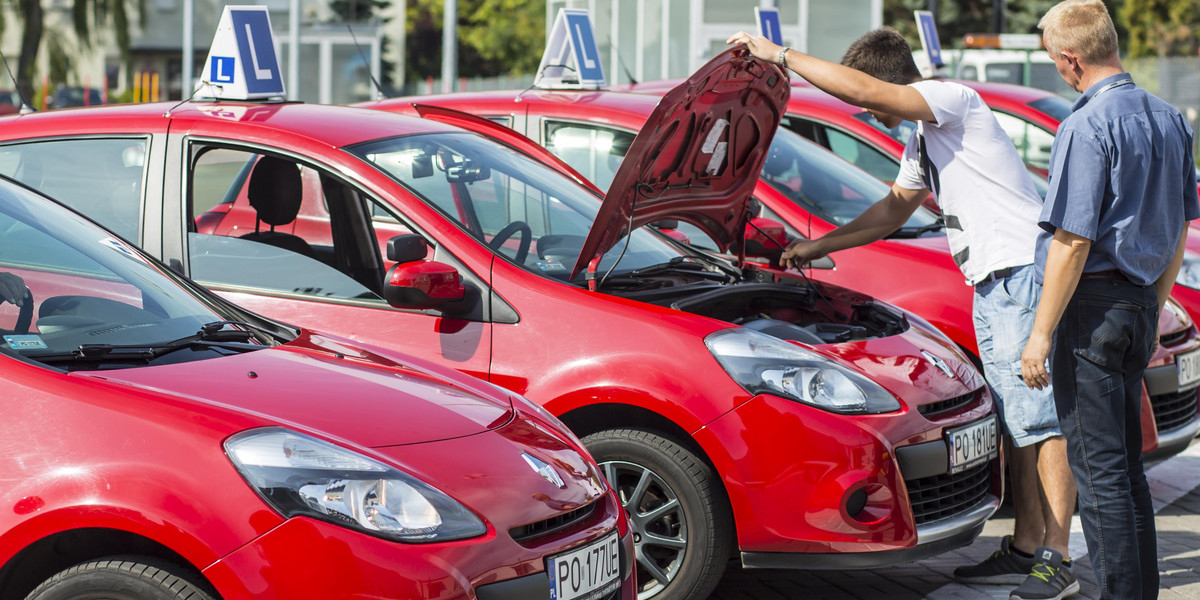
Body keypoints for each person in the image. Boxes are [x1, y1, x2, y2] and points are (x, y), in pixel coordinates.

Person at [727, 27, 1080, 600]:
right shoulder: (923, 137)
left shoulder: (951, 99)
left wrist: (781, 56)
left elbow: (870, 95)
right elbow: (893, 208)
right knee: (1018, 420)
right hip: (992, 284)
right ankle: (1024, 547)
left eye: (870, 101)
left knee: (1042, 421)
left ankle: (1057, 558)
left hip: (1020, 276)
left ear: (889, 83)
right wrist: (816, 247)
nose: (871, 115)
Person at [1020, 2, 1200, 598]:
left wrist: (1040, 334)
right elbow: (1176, 229)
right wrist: (1154, 304)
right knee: (1126, 474)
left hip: (1091, 311)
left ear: (1071, 59)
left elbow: (1072, 242)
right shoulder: (1170, 117)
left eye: (1054, 60)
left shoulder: (1086, 125)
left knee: (1099, 478)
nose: (1058, 71)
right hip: (1138, 304)